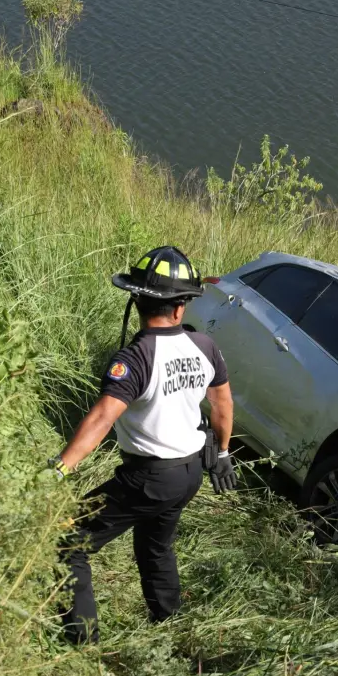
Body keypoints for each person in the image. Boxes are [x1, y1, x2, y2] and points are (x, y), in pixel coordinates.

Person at [48, 245, 237, 645]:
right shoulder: (204, 346)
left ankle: (81, 643)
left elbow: (102, 418)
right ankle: (169, 626)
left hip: (149, 477)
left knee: (67, 542)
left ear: (136, 300)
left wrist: (59, 469)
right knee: (156, 547)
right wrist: (222, 453)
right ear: (180, 307)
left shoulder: (135, 358)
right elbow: (222, 403)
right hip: (189, 472)